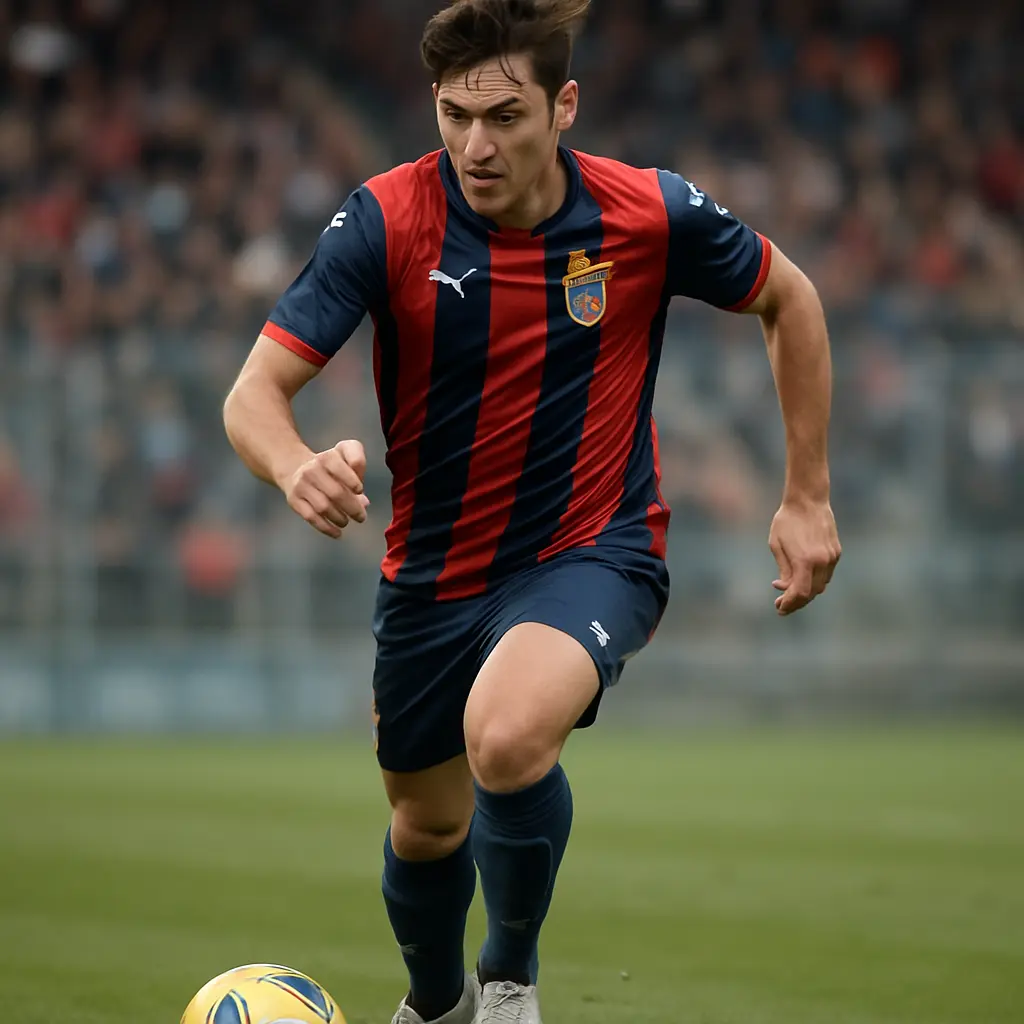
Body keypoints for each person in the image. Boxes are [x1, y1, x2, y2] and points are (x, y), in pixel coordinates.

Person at [222, 0, 842, 1021]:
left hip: (594, 548)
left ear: (564, 107)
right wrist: (293, 467)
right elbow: (252, 395)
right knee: (426, 824)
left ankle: (511, 981)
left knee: (506, 738)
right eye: (454, 115)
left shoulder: (647, 212)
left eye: (504, 116)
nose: (476, 144)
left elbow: (792, 299)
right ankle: (439, 1004)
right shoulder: (386, 218)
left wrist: (806, 494)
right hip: (432, 575)